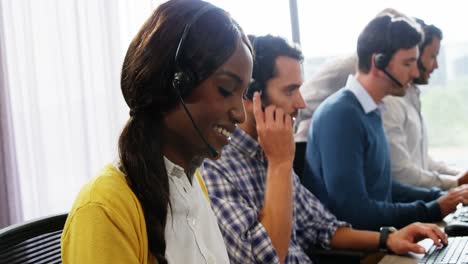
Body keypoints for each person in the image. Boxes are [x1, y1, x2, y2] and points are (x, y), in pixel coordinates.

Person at [202, 35, 447, 264]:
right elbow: (267, 257)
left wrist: (388, 238)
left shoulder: (269, 154)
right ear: (250, 96)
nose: (301, 103)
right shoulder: (215, 168)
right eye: (290, 90)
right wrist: (279, 164)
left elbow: (321, 227)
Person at [61, 0, 253, 263]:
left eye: (243, 95)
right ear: (174, 83)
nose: (240, 114)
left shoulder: (192, 184)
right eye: (225, 89)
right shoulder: (105, 208)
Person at [303, 14, 468, 231]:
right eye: (408, 63)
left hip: (379, 239)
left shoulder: (370, 110)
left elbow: (383, 186)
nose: (416, 72)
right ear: (378, 62)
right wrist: (432, 209)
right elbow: (355, 212)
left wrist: (440, 196)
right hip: (358, 254)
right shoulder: (342, 115)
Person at [382, 19, 468, 190]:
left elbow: (419, 158)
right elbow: (402, 173)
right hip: (409, 206)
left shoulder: (411, 95)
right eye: (433, 56)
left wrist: (458, 175)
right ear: (416, 53)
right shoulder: (391, 103)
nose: (436, 65)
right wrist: (456, 182)